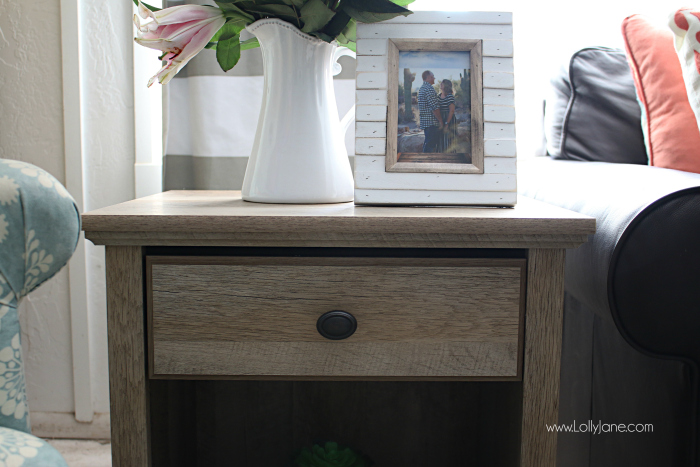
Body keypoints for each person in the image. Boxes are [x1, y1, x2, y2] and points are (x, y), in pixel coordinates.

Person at [417, 70, 444, 153]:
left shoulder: (422, 88)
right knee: (430, 146)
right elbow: (435, 107)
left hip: (426, 122)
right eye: (432, 76)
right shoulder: (429, 89)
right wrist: (440, 121)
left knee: (428, 144)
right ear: (428, 78)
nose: (434, 78)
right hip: (431, 123)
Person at [437, 79, 457, 153]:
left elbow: (451, 111)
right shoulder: (438, 96)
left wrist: (446, 123)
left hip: (449, 119)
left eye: (442, 84)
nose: (440, 85)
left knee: (449, 139)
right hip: (441, 118)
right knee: (441, 140)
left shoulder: (450, 96)